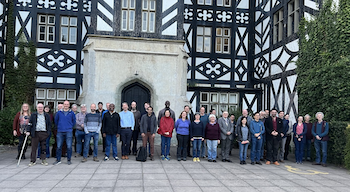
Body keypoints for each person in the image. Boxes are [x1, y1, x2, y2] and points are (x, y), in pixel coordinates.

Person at [54, 101, 76, 165]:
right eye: (65, 104)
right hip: (60, 131)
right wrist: (60, 126)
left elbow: (74, 121)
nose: (66, 105)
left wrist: (69, 127)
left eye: (67, 104)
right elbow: (56, 121)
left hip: (68, 131)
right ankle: (58, 160)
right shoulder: (59, 112)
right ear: (63, 105)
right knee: (58, 146)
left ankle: (69, 160)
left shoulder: (71, 113)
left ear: (69, 105)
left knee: (69, 146)